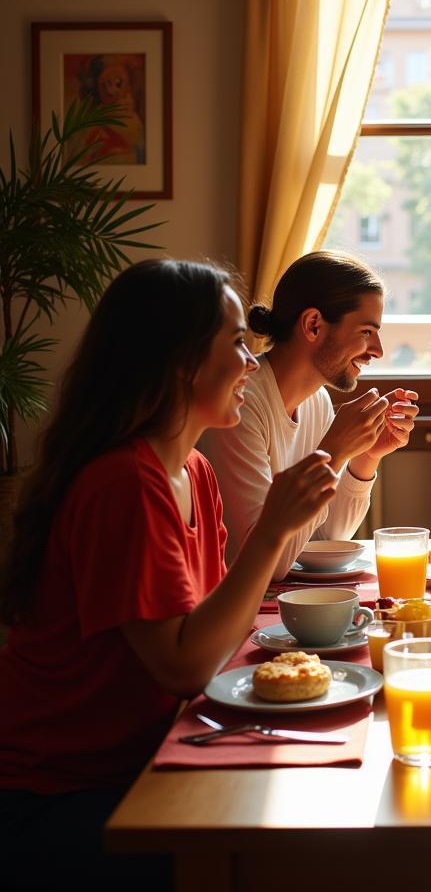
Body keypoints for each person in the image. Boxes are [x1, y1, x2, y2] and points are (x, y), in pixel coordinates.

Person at [0, 259, 340, 890]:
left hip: (151, 755)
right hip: (64, 794)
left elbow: (215, 631)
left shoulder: (193, 473)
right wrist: (270, 529)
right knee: (295, 857)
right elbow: (185, 666)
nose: (250, 362)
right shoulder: (124, 483)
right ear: (181, 360)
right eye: (236, 343)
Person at [201, 251, 419, 582]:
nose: (378, 350)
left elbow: (328, 539)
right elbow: (266, 565)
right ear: (313, 324)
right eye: (365, 332)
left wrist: (365, 456)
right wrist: (333, 452)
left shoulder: (316, 402)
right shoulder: (241, 404)